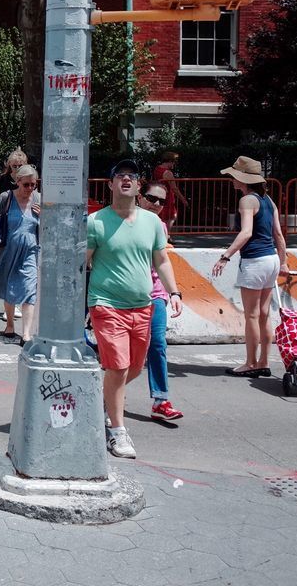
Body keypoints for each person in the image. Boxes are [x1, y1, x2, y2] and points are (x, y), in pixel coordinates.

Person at [87, 159, 183, 459]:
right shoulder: (95, 222)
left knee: (135, 367)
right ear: (111, 184)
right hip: (106, 304)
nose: (126, 180)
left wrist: (175, 292)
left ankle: (103, 397)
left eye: (132, 176)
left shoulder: (153, 223)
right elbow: (84, 263)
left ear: (138, 185)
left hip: (142, 307)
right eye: (120, 176)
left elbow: (162, 260)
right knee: (117, 366)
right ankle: (117, 432)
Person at [211, 156, 289, 378]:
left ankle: (250, 363)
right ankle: (263, 361)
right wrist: (282, 261)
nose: (231, 179)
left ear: (241, 178)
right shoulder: (268, 201)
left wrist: (225, 256)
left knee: (252, 316)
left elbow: (245, 233)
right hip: (271, 259)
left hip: (255, 261)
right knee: (264, 315)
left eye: (234, 175)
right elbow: (279, 235)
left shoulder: (247, 201)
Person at [0, 164, 40, 342]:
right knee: (10, 287)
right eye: (26, 184)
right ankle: (10, 324)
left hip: (30, 251)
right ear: (18, 181)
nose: (30, 189)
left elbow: (51, 228)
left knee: (29, 289)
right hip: (7, 250)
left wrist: (45, 216)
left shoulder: (39, 200)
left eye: (33, 185)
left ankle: (26, 333)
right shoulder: (7, 197)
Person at [138, 181, 184, 422]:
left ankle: (161, 399)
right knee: (125, 356)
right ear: (139, 197)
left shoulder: (161, 227)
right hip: (126, 296)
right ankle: (108, 400)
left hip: (155, 294)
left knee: (158, 344)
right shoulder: (125, 220)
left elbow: (162, 263)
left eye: (162, 201)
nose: (156, 204)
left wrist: (174, 293)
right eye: (151, 198)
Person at [150, 151, 188, 232]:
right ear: (170, 161)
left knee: (163, 217)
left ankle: (165, 235)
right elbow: (174, 188)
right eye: (174, 162)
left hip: (159, 196)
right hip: (168, 197)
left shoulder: (157, 169)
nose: (174, 164)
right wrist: (183, 199)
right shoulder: (168, 173)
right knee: (172, 216)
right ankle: (166, 235)